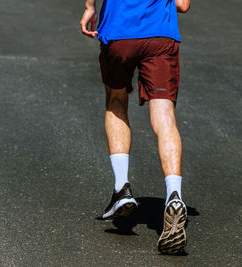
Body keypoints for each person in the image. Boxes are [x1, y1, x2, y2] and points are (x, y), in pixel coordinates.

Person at [80, 0, 190, 255]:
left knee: (116, 101)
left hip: (119, 33)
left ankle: (122, 189)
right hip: (161, 37)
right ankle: (174, 195)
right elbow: (182, 5)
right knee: (165, 117)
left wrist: (89, 7)